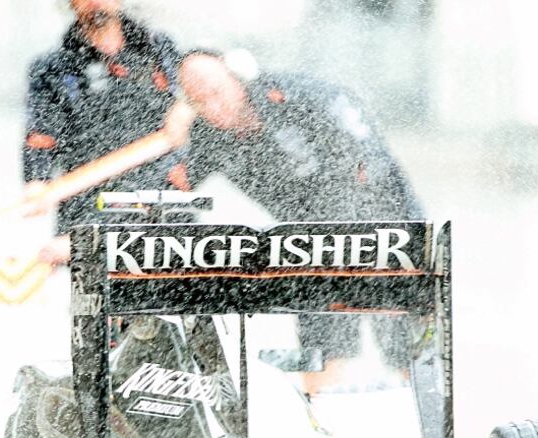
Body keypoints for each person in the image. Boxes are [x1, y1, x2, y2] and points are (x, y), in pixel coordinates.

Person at [165, 50, 424, 396]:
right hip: (310, 240)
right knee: (320, 337)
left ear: (239, 78)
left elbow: (368, 161)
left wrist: (345, 248)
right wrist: (174, 140)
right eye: (199, 102)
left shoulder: (300, 96)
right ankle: (320, 414)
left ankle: (418, 410)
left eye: (216, 92)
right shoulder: (208, 137)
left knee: (404, 338)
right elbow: (170, 186)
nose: (213, 107)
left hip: (382, 219)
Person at [23, 0, 180, 265]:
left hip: (163, 206)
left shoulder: (159, 49)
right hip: (88, 205)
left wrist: (186, 108)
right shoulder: (52, 68)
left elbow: (196, 104)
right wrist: (37, 182)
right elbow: (41, 137)